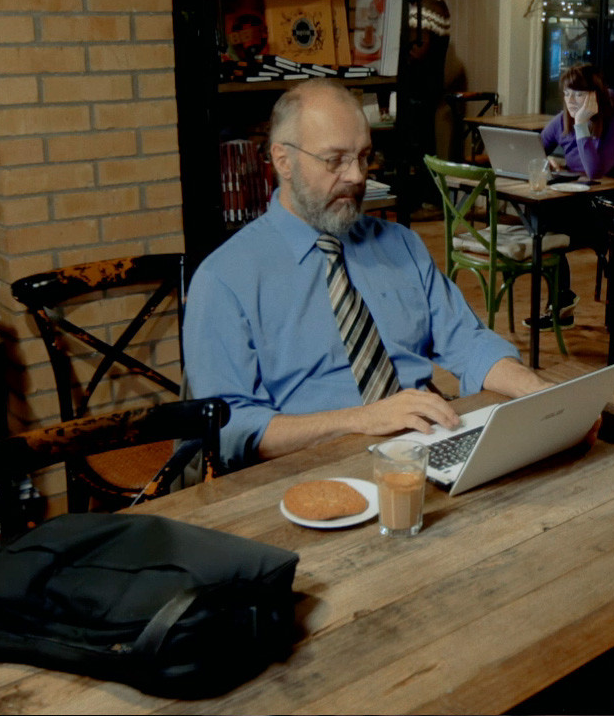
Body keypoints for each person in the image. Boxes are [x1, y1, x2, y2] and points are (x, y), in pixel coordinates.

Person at [183, 79, 551, 470]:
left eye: (363, 157)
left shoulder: (399, 245)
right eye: (335, 160)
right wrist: (363, 420)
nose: (357, 176)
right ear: (283, 160)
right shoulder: (225, 279)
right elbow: (227, 429)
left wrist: (543, 395)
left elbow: (468, 342)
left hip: (420, 451)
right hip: (309, 471)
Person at [529, 63, 614, 328]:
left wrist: (580, 125)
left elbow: (595, 170)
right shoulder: (561, 119)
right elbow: (536, 148)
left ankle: (589, 309)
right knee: (538, 221)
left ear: (594, 95)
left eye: (578, 94)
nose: (571, 101)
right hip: (580, 201)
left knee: (545, 225)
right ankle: (561, 300)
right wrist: (548, 163)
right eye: (567, 94)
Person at [395, 0, 451, 219]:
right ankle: (430, 198)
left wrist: (398, 60)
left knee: (419, 143)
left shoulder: (425, 4)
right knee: (423, 142)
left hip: (419, 85)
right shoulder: (435, 1)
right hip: (429, 84)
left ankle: (428, 200)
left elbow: (419, 50)